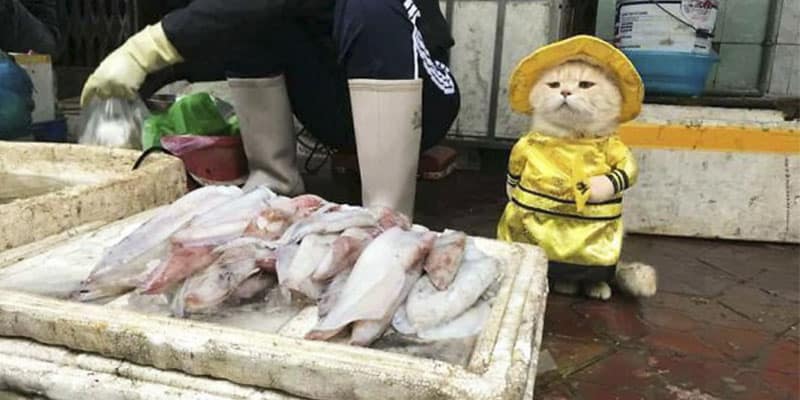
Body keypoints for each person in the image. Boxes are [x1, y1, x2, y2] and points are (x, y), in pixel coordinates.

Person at [79, 0, 461, 220]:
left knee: (372, 4)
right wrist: (131, 79)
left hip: (421, 100)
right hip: (335, 107)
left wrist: (149, 47)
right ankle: (274, 181)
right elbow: (227, 19)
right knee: (248, 23)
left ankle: (386, 220)